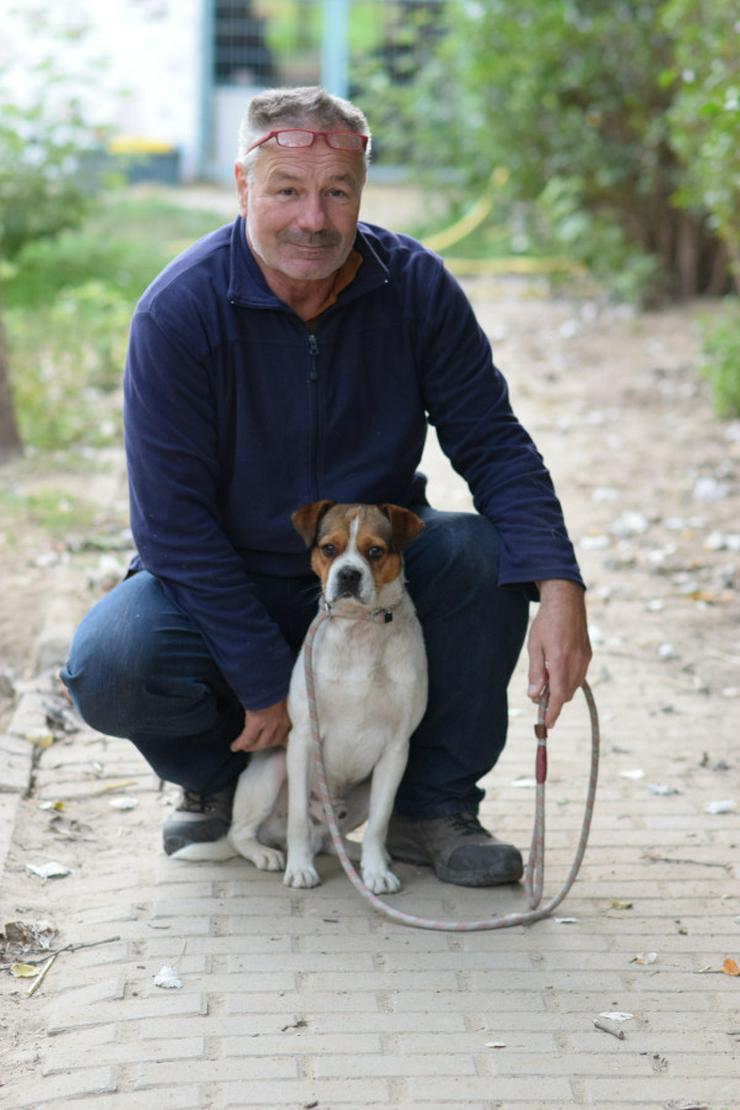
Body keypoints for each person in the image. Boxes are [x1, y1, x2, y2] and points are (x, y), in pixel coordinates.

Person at [61, 86, 591, 888]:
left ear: (362, 191)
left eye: (336, 191)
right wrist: (269, 684)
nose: (314, 218)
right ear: (242, 186)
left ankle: (431, 804)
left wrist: (560, 586)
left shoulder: (416, 288)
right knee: (114, 661)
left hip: (366, 562)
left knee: (484, 559)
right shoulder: (178, 312)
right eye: (286, 190)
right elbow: (171, 524)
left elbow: (494, 444)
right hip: (222, 579)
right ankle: (224, 781)